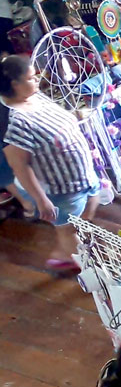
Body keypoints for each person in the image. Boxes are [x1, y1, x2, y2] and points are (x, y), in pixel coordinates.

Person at [1, 54, 100, 266]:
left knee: (92, 202)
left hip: (84, 175)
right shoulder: (16, 121)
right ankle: (89, 270)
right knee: (67, 228)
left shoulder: (35, 96)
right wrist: (41, 200)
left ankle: (70, 250)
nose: (37, 80)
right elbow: (19, 165)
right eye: (31, 78)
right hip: (62, 189)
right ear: (15, 85)